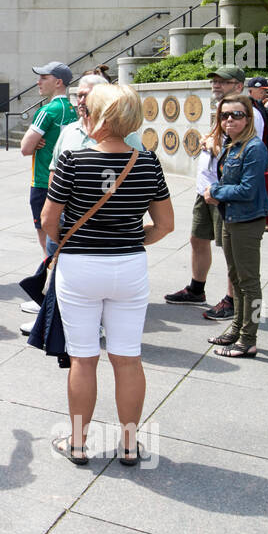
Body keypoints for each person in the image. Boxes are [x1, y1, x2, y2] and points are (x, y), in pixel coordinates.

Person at [41, 83, 174, 466]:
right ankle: (130, 444)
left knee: (83, 358)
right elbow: (165, 225)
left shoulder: (71, 160)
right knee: (128, 358)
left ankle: (79, 443)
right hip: (129, 266)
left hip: (80, 266)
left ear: (95, 116)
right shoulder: (147, 161)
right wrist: (130, 238)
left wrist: (72, 238)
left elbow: (49, 221)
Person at [20, 72, 140, 327]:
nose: (80, 101)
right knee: (55, 267)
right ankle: (50, 319)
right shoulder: (70, 131)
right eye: (78, 95)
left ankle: (89, 323)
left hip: (106, 229)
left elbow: (137, 183)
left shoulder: (128, 138)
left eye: (86, 95)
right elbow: (54, 172)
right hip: (66, 218)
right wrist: (57, 215)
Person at [165, 65, 267, 321]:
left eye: (224, 81)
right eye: (214, 81)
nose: (216, 85)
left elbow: (246, 148)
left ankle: (233, 301)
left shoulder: (250, 114)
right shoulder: (222, 111)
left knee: (230, 250)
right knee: (198, 239)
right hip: (207, 190)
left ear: (239, 86)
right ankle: (196, 289)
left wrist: (215, 144)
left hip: (227, 194)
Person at [202, 96, 268, 358]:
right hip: (231, 217)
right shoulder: (233, 145)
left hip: (247, 220)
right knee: (237, 280)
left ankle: (248, 339)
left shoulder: (254, 148)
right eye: (224, 115)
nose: (229, 120)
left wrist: (215, 190)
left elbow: (248, 189)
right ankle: (238, 329)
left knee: (249, 282)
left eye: (237, 115)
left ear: (248, 118)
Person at [19, 61, 78, 259]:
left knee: (47, 241)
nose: (38, 82)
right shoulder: (74, 109)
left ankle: (51, 278)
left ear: (58, 82)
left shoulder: (47, 111)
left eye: (44, 78)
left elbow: (25, 148)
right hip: (70, 181)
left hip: (44, 181)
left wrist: (34, 144)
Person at [245, 76, 268, 231]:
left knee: (263, 184)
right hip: (254, 151)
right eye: (262, 91)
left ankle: (265, 218)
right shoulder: (249, 107)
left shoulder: (264, 107)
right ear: (251, 91)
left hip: (263, 150)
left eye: (267, 91)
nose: (265, 94)